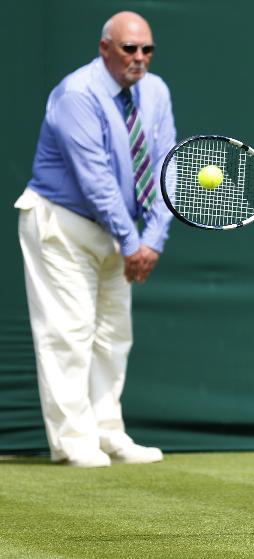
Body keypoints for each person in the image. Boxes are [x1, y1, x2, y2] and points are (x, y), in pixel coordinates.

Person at [15, 11, 175, 468]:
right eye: (130, 49)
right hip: (62, 226)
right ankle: (72, 441)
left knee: (113, 337)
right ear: (105, 47)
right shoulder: (76, 94)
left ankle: (109, 433)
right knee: (68, 333)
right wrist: (133, 243)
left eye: (147, 49)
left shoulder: (157, 92)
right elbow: (96, 180)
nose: (139, 58)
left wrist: (153, 240)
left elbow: (167, 167)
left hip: (119, 234)